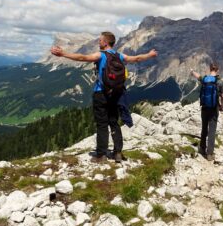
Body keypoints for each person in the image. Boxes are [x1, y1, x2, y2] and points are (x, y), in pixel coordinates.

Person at [51, 31, 158, 163]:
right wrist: (150, 55)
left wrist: (63, 54)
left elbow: (82, 58)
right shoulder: (119, 56)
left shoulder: (100, 55)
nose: (98, 42)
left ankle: (101, 155)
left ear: (106, 42)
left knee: (102, 124)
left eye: (100, 40)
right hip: (115, 94)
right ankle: (118, 152)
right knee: (114, 122)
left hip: (101, 93)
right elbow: (136, 59)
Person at [191, 63, 223, 162]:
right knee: (212, 130)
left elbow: (198, 76)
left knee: (204, 128)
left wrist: (192, 71)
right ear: (217, 70)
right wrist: (222, 105)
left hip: (204, 108)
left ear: (210, 69)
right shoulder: (219, 81)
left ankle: (202, 149)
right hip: (214, 108)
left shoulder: (205, 79)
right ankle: (210, 154)